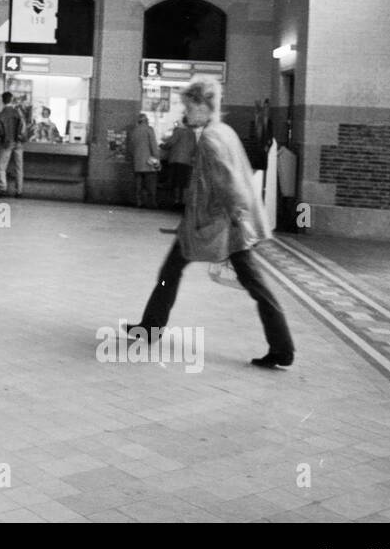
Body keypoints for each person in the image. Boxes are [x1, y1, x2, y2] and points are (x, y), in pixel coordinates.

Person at [123, 78, 295, 369]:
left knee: (253, 284)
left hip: (222, 226)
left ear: (204, 106)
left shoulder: (211, 138)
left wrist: (239, 219)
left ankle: (282, 348)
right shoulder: (223, 131)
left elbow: (228, 183)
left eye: (190, 106)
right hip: (212, 224)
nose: (186, 112)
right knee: (171, 272)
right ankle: (151, 325)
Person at [0, 91, 26, 197]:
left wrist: (4, 137)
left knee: (1, 166)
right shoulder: (18, 113)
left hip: (6, 143)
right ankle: (19, 191)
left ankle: (3, 189)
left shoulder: (0, 115)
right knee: (18, 167)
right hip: (19, 143)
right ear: (12, 100)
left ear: (2, 100)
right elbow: (23, 127)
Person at [161, 120, 197, 209]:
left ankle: (176, 201)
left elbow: (170, 143)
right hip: (186, 161)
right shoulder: (192, 133)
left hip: (176, 159)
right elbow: (194, 148)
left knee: (175, 181)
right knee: (183, 182)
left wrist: (162, 146)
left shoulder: (178, 131)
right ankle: (182, 201)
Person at [127, 113, 160, 208]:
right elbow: (153, 145)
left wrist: (133, 157)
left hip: (137, 162)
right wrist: (156, 157)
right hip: (149, 162)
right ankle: (151, 203)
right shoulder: (149, 130)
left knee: (138, 183)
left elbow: (131, 148)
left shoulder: (134, 131)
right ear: (146, 121)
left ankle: (139, 202)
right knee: (151, 183)